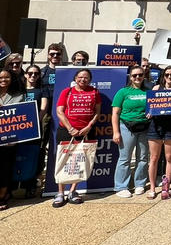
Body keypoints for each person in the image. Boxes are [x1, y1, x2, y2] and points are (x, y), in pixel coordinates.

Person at [54, 68, 101, 207]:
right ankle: (60, 193)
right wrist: (70, 128)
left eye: (86, 77)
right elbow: (60, 111)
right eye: (80, 77)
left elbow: (97, 112)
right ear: (75, 78)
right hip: (66, 130)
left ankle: (73, 191)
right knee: (63, 160)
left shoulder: (94, 92)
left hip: (86, 131)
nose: (83, 79)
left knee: (80, 161)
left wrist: (89, 126)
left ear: (90, 80)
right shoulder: (67, 92)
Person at [145, 65, 171, 200]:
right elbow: (149, 107)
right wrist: (148, 113)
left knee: (170, 158)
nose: (169, 77)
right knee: (154, 158)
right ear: (163, 76)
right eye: (167, 74)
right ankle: (152, 188)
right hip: (156, 126)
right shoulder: (156, 89)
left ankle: (166, 188)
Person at [112, 65, 149, 198]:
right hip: (126, 127)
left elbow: (153, 109)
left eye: (140, 75)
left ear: (144, 76)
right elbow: (115, 113)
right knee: (125, 158)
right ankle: (121, 186)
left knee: (143, 158)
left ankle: (140, 183)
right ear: (130, 77)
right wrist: (116, 132)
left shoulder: (148, 91)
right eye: (134, 75)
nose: (137, 77)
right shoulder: (123, 92)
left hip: (144, 127)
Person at [22, 64, 48, 197]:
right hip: (18, 128)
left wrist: (34, 123)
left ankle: (30, 186)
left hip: (33, 128)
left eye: (36, 74)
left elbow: (43, 108)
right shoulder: (20, 90)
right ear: (25, 74)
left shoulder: (42, 91)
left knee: (32, 156)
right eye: (30, 73)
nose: (33, 76)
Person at [0, 70, 25, 210]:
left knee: (5, 168)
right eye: (1, 77)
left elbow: (21, 115)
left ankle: (2, 196)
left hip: (10, 139)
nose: (4, 80)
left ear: (11, 79)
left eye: (7, 77)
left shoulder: (18, 95)